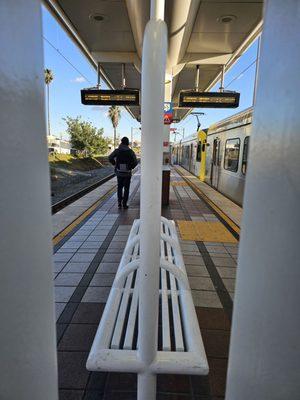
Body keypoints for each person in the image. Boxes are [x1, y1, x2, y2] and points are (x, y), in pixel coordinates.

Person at [109, 137, 138, 209]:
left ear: (121, 142)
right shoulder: (130, 151)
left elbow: (110, 157)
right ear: (128, 143)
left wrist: (114, 164)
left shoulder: (117, 150)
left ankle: (119, 203)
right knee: (126, 188)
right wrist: (131, 167)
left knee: (119, 187)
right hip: (127, 173)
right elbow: (135, 162)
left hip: (119, 172)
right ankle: (124, 204)